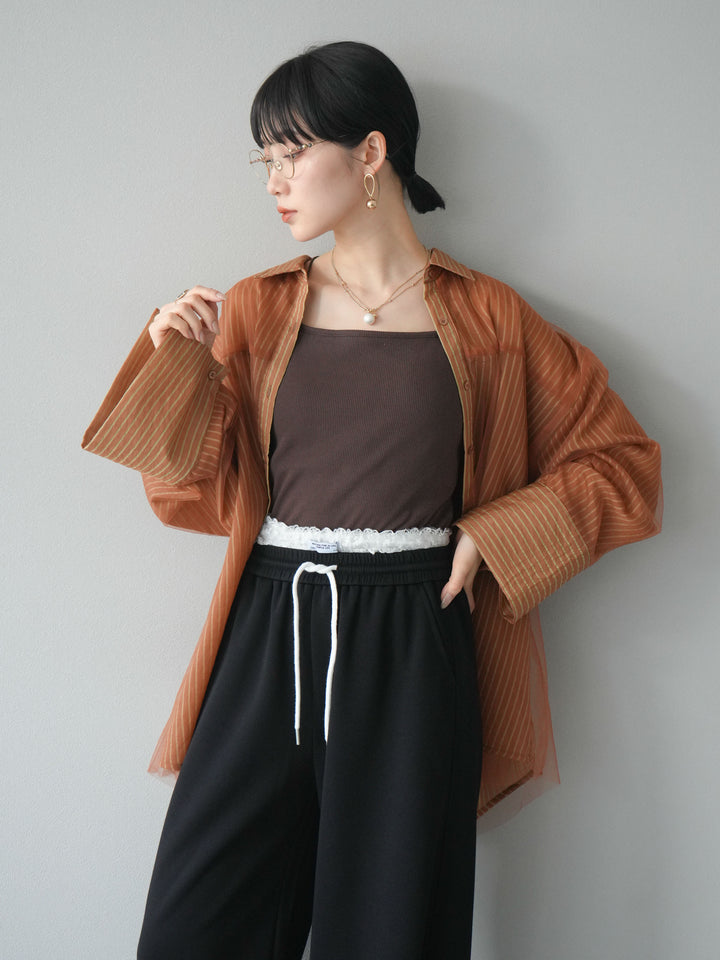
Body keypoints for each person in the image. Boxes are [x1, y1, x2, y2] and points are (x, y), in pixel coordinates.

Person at [82, 40, 662, 960]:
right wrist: (172, 363)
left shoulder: (490, 319)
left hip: (413, 639)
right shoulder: (257, 309)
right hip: (270, 627)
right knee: (195, 926)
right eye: (265, 160)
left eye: (292, 152)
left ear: (371, 153)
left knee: (391, 930)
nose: (275, 181)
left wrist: (497, 537)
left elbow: (623, 463)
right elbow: (188, 491)